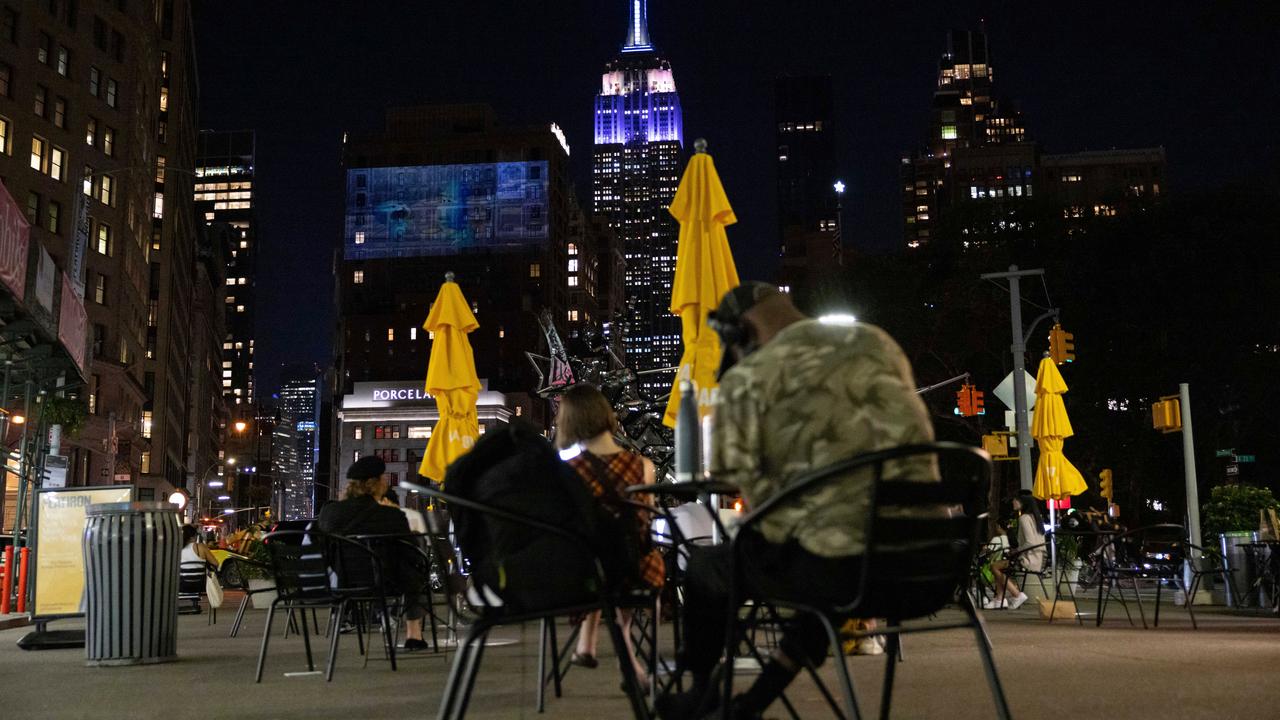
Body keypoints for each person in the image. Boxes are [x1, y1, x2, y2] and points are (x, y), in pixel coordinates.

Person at [656, 283, 937, 720]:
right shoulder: (877, 342)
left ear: (742, 332)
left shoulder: (750, 377)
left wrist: (731, 380)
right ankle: (751, 704)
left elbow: (728, 475)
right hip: (925, 565)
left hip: (838, 572)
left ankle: (700, 690)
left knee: (708, 567)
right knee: (819, 551)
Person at [556, 383, 663, 688]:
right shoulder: (644, 467)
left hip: (585, 576)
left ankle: (589, 645)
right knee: (629, 553)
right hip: (638, 571)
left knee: (597, 553)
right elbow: (644, 528)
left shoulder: (567, 472)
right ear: (607, 415)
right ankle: (624, 651)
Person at [318, 456, 432, 651]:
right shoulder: (391, 515)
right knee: (414, 569)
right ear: (377, 484)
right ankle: (414, 634)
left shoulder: (330, 513)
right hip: (387, 582)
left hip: (345, 581)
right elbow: (410, 551)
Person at [987, 494, 1046, 610]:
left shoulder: (1024, 518)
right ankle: (999, 600)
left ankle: (1017, 595)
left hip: (1029, 559)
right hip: (1039, 559)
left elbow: (1030, 542)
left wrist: (1015, 551)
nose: (1013, 502)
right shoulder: (1036, 518)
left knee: (994, 566)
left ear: (1023, 503)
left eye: (1016, 500)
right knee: (1000, 566)